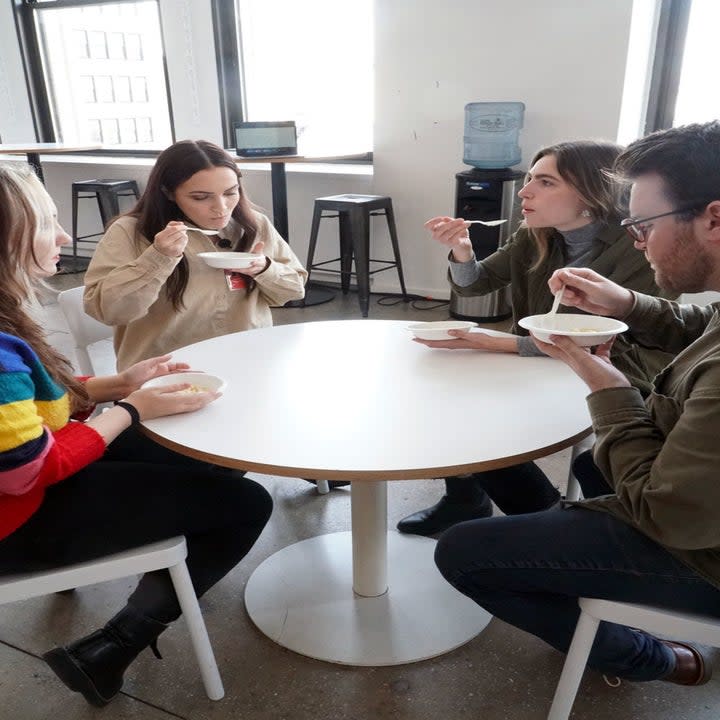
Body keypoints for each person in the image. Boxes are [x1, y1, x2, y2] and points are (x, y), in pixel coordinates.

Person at [435, 120, 720, 686]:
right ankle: (552, 536)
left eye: (643, 224)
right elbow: (702, 323)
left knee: (462, 553)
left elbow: (670, 516)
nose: (637, 237)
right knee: (552, 455)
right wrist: (630, 305)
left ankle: (651, 658)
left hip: (698, 550)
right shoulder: (533, 238)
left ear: (713, 218)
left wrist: (606, 385)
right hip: (682, 492)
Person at [0, 163, 273, 706]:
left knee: (208, 455)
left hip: (33, 476)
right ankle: (111, 648)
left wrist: (118, 383)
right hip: (19, 518)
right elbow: (28, 469)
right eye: (47, 222)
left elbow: (36, 402)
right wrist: (129, 407)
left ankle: (174, 580)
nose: (65, 236)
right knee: (244, 505)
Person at [398, 140, 673, 536]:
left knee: (480, 420)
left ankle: (541, 522)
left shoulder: (636, 247)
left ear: (591, 193)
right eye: (529, 179)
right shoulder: (535, 234)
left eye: (545, 182)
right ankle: (469, 500)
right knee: (454, 400)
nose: (525, 191)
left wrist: (484, 342)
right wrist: (462, 251)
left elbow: (592, 343)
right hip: (540, 356)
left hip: (616, 368)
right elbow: (475, 286)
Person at [83, 139, 307, 371]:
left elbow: (294, 291)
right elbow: (109, 311)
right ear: (169, 193)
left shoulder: (252, 225)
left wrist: (263, 268)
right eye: (201, 197)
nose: (221, 208)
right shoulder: (130, 232)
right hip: (167, 373)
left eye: (231, 192)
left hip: (248, 361)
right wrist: (158, 258)